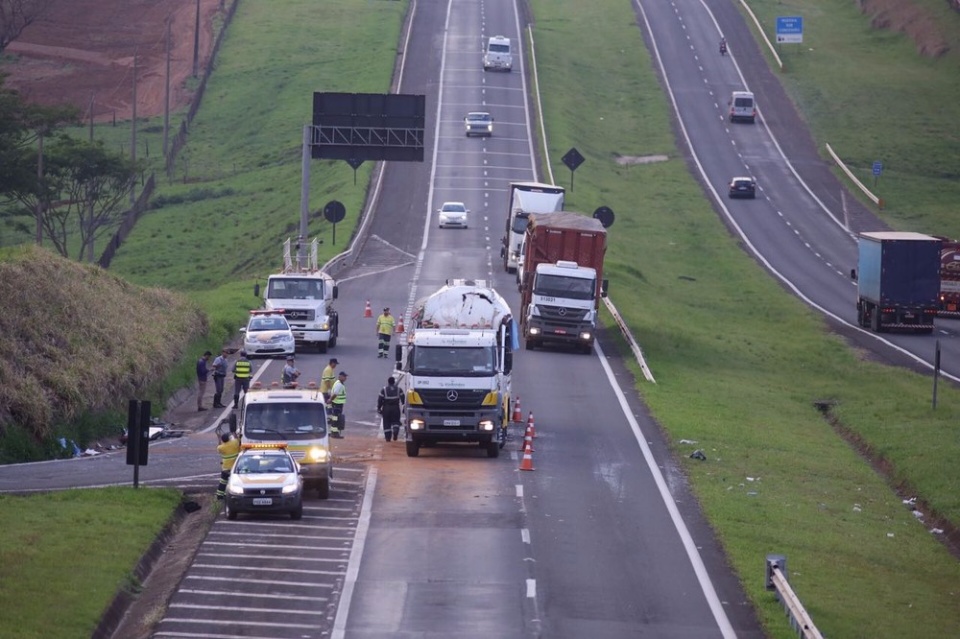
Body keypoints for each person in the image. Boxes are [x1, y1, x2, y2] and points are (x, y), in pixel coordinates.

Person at [377, 376, 404, 442]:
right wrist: (403, 405)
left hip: (386, 408)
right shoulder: (398, 389)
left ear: (388, 382)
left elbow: (380, 399)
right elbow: (403, 398)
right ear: (394, 382)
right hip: (395, 408)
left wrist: (379, 408)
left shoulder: (384, 390)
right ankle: (395, 431)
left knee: (386, 423)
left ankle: (388, 438)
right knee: (396, 421)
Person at [215, 431, 241, 500]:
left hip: (226, 468)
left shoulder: (221, 447)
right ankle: (232, 495)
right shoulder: (234, 443)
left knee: (223, 482)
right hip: (235, 468)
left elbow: (219, 447)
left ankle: (220, 496)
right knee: (235, 482)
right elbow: (238, 439)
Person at [328, 371, 348, 437]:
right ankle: (335, 433)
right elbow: (335, 393)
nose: (345, 378)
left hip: (338, 403)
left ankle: (334, 432)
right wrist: (331, 400)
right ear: (340, 377)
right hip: (337, 403)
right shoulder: (339, 384)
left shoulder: (338, 383)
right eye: (344, 377)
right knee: (336, 418)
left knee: (335, 418)